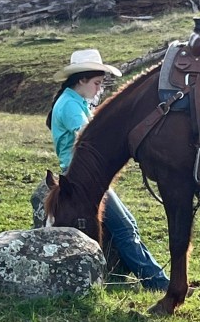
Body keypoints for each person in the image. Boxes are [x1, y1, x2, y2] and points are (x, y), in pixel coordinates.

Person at [46, 48, 170, 292]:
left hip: (84, 177)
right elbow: (93, 139)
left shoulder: (75, 102)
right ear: (81, 80)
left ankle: (155, 279)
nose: (99, 89)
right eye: (96, 83)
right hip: (82, 179)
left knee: (128, 225)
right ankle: (157, 283)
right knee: (125, 228)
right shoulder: (70, 106)